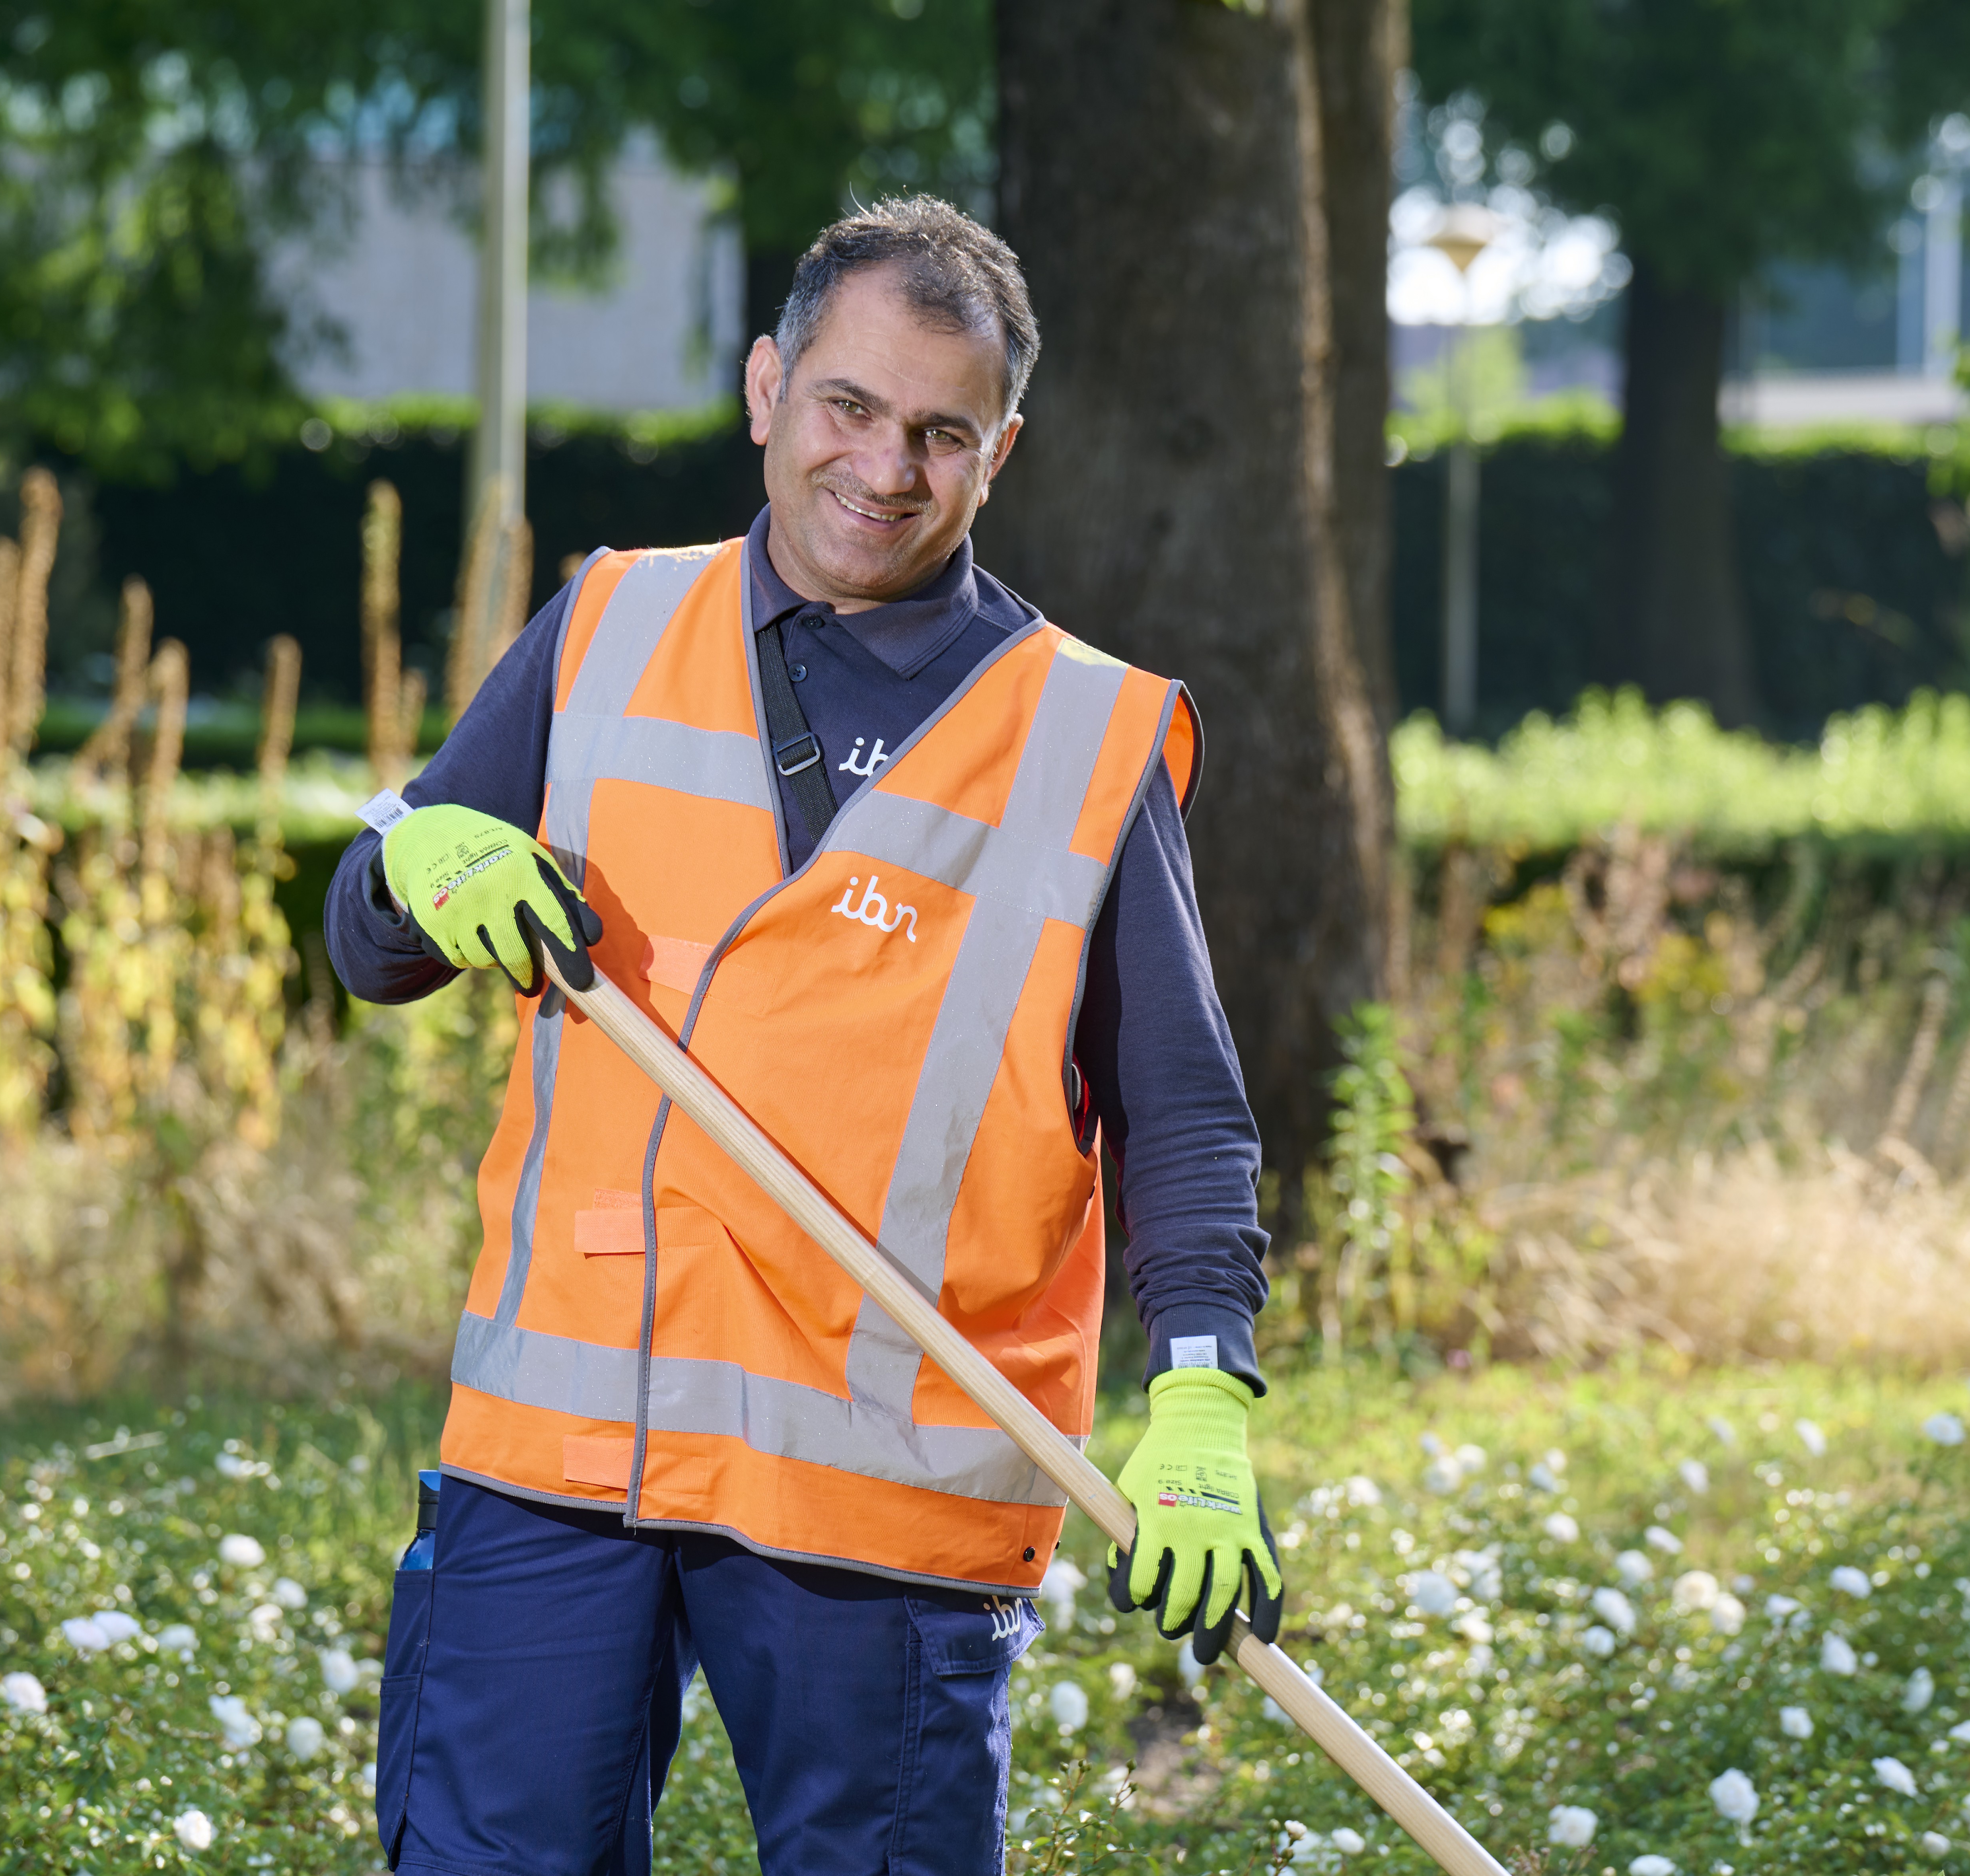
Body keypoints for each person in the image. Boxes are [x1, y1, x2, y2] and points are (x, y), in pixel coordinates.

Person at [329, 195, 1282, 1876]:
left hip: (877, 1498)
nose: (884, 468)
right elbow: (369, 939)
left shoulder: (1082, 735)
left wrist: (1201, 1402)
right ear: (767, 387)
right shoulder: (609, 626)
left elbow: (1180, 1113)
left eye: (939, 432)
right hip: (562, 1460)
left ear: (1002, 450)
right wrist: (415, 860)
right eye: (848, 406)